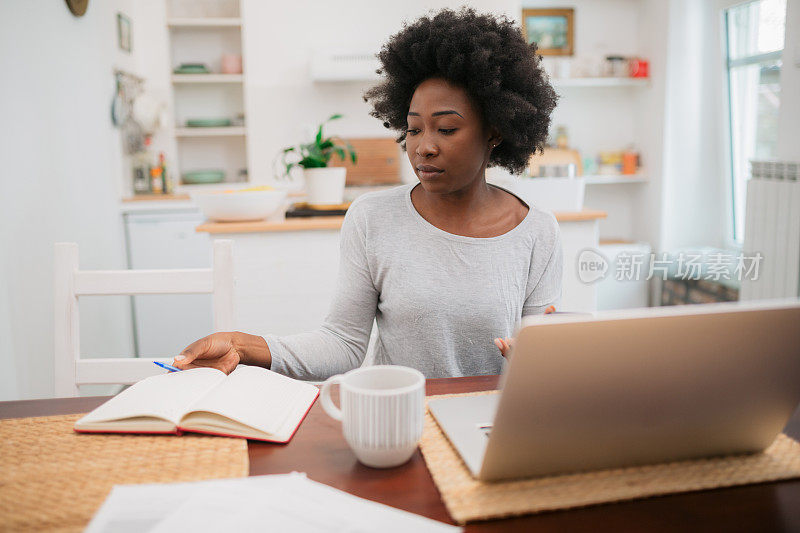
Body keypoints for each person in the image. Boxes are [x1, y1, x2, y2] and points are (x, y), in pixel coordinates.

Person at [173, 7, 561, 380]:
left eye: (445, 129)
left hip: (491, 422)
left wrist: (536, 361)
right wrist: (242, 346)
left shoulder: (537, 232)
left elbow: (539, 362)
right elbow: (342, 344)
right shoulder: (373, 218)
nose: (423, 146)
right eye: (413, 129)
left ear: (494, 131)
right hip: (400, 418)